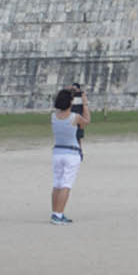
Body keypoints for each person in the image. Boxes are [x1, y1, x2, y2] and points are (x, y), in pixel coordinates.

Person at [50, 85, 90, 224]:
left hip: (57, 152)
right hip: (71, 153)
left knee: (57, 184)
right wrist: (84, 103)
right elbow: (87, 121)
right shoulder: (74, 117)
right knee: (66, 185)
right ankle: (59, 215)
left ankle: (55, 212)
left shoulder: (54, 117)